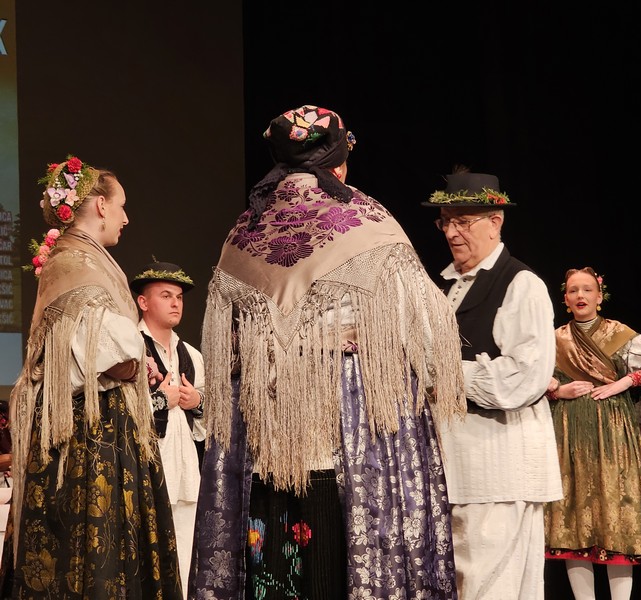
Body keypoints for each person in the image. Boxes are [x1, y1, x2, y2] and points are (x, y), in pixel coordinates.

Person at [189, 105, 466, 600]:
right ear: (338, 162)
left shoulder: (247, 228)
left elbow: (224, 341)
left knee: (278, 541)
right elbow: (425, 324)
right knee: (349, 529)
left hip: (266, 420)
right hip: (350, 405)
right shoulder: (365, 218)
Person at [5, 156, 182, 597]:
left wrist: (132, 360)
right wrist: (134, 362)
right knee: (88, 540)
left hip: (102, 421)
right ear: (101, 205)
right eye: (121, 205)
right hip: (87, 430)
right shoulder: (75, 262)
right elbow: (108, 356)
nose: (126, 217)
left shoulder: (85, 258)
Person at [421, 168, 563, 600]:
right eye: (446, 222)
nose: (452, 232)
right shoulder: (447, 286)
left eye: (463, 222)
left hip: (499, 464)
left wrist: (440, 372)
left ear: (495, 221)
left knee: (492, 585)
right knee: (468, 582)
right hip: (458, 463)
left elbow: (523, 378)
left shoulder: (520, 284)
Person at [544, 267, 641, 600]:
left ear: (599, 296)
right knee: (574, 515)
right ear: (565, 298)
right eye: (573, 290)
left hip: (613, 426)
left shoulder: (618, 333)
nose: (580, 295)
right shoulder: (554, 338)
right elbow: (531, 377)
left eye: (587, 289)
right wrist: (558, 390)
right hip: (569, 427)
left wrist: (626, 381)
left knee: (616, 508)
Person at [130, 260, 205, 600]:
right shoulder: (130, 348)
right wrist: (162, 401)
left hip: (185, 466)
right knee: (146, 550)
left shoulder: (191, 354)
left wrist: (196, 401)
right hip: (146, 466)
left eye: (179, 297)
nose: (175, 303)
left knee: (187, 550)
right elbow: (118, 412)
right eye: (165, 295)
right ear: (143, 302)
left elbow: (207, 421)